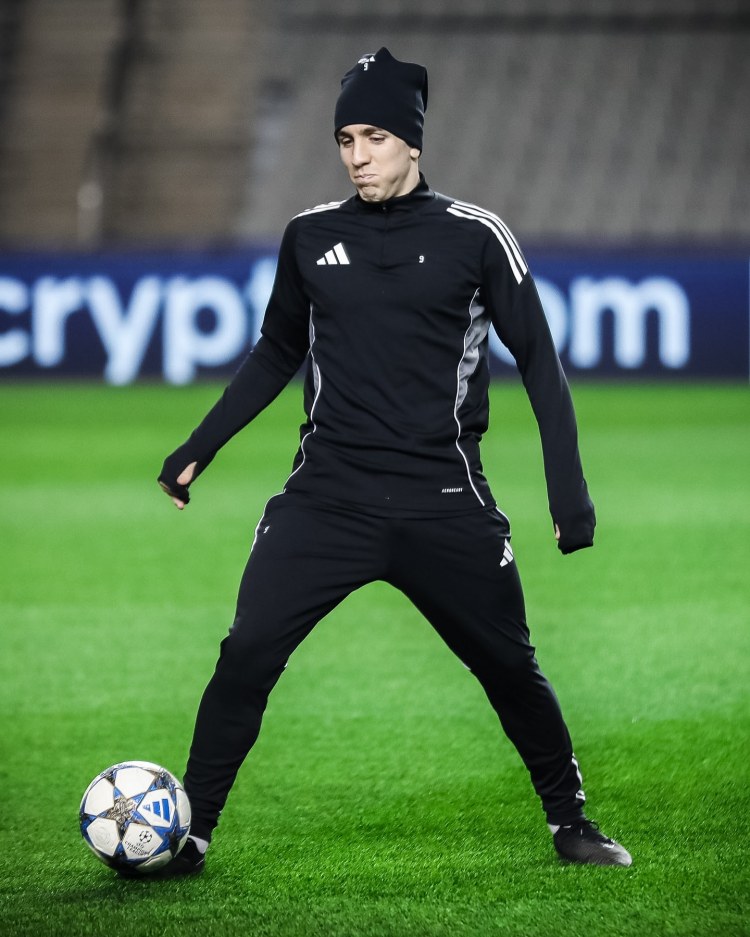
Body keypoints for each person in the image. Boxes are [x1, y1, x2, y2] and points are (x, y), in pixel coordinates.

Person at [156, 47, 631, 876]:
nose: (358, 154)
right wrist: (200, 446)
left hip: (443, 499)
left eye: (374, 136)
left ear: (412, 141)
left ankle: (571, 820)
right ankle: (190, 832)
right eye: (346, 139)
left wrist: (569, 493)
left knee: (508, 666)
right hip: (325, 499)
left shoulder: (476, 236)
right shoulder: (309, 236)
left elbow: (540, 360)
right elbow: (276, 351)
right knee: (247, 652)